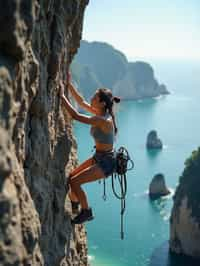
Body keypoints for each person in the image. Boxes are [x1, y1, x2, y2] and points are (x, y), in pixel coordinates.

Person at [59, 73, 120, 224]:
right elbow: (80, 102)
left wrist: (61, 96)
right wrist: (69, 84)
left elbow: (76, 115)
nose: (91, 99)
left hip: (106, 162)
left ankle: (86, 212)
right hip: (99, 157)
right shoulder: (99, 113)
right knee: (72, 177)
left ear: (102, 103)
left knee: (75, 182)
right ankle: (75, 204)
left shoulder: (103, 120)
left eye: (94, 97)